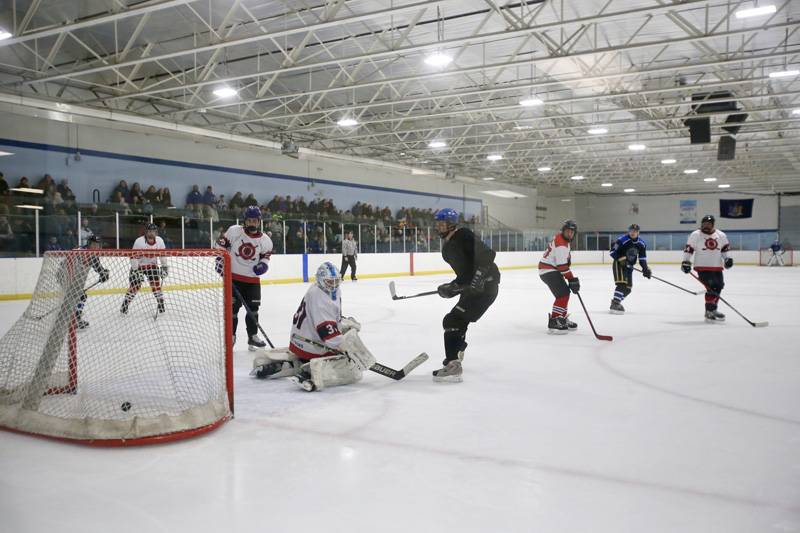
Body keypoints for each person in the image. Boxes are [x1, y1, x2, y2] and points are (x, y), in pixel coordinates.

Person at [261, 261, 372, 392]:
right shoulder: (319, 297)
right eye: (330, 282)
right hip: (308, 344)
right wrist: (347, 349)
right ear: (320, 280)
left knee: (348, 333)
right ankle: (309, 373)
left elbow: (330, 317)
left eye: (336, 281)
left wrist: (343, 324)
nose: (334, 285)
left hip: (300, 339)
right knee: (349, 364)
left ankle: (297, 362)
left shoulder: (323, 289)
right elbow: (327, 334)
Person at [432, 208, 500, 382]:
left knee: (452, 320)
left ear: (452, 224)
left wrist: (478, 279)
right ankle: (455, 352)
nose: (439, 227)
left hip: (487, 287)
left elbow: (487, 255)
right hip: (475, 289)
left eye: (442, 224)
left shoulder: (463, 235)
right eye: (437, 224)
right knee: (459, 321)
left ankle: (453, 366)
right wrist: (450, 288)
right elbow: (464, 276)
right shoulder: (446, 249)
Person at [215, 206, 273, 350]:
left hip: (252, 281)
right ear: (245, 221)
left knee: (253, 309)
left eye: (255, 220)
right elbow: (219, 247)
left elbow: (265, 259)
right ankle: (231, 336)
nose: (252, 223)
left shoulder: (265, 240)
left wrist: (263, 266)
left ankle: (252, 336)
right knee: (232, 310)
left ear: (259, 222)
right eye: (249, 220)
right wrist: (219, 261)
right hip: (233, 279)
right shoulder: (234, 231)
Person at [681, 215, 733, 323]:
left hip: (717, 266)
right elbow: (689, 249)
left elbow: (724, 250)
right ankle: (709, 311)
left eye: (709, 224)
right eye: (704, 224)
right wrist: (686, 261)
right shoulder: (696, 235)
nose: (706, 226)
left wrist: (727, 259)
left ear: (713, 225)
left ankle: (713, 309)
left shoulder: (721, 235)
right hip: (702, 267)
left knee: (719, 286)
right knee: (712, 287)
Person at [539, 220, 580, 334]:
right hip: (549, 270)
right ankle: (555, 320)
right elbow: (562, 266)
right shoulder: (561, 244)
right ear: (563, 231)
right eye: (568, 231)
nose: (570, 234)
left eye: (572, 232)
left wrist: (570, 279)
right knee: (563, 294)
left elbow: (562, 265)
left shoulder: (562, 240)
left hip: (550, 270)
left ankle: (561, 318)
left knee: (564, 293)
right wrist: (571, 279)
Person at [121, 223, 168, 314]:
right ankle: (125, 305)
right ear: (146, 232)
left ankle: (161, 304)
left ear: (156, 232)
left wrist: (164, 267)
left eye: (153, 231)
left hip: (152, 266)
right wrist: (135, 271)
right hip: (138, 266)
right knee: (135, 286)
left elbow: (162, 255)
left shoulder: (160, 241)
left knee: (156, 285)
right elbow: (133, 257)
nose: (151, 233)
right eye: (149, 231)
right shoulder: (139, 241)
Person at [608, 223, 652, 314]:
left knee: (628, 288)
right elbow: (612, 251)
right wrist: (621, 259)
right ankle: (615, 303)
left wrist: (645, 269)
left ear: (638, 232)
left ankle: (616, 301)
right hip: (619, 264)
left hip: (629, 267)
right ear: (629, 231)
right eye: (631, 231)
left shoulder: (641, 244)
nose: (633, 232)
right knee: (622, 284)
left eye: (635, 231)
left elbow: (642, 258)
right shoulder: (622, 240)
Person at [74, 235, 111, 329]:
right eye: (94, 244)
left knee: (80, 296)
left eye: (98, 245)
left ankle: (74, 318)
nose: (96, 247)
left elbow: (98, 267)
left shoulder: (93, 255)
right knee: (79, 296)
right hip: (65, 276)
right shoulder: (80, 251)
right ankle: (74, 320)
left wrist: (103, 273)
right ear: (89, 244)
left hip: (74, 280)